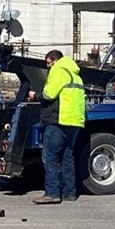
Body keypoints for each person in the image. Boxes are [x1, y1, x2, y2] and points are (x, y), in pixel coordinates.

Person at [28, 50, 87, 204]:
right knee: (68, 157)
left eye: (48, 63)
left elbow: (49, 95)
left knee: (50, 157)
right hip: (74, 122)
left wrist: (34, 95)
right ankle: (70, 193)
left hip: (58, 120)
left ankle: (52, 193)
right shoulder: (76, 75)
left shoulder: (59, 71)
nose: (48, 67)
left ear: (54, 60)